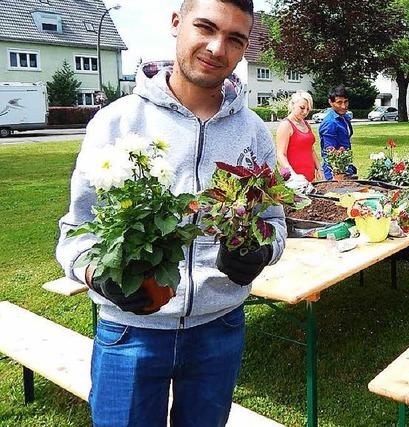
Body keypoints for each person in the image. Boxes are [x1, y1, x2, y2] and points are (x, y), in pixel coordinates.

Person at [56, 1, 286, 426]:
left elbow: (274, 221)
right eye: (206, 27)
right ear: (177, 23)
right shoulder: (117, 122)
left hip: (220, 329)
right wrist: (98, 275)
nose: (217, 48)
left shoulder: (253, 131)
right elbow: (75, 232)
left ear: (244, 47)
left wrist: (263, 250)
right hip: (131, 332)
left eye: (235, 38)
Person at [275, 90, 323, 182]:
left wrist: (319, 168)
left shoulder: (306, 124)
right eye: (302, 108)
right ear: (293, 104)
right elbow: (281, 154)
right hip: (295, 179)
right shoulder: (286, 125)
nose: (305, 112)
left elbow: (311, 149)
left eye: (308, 109)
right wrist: (292, 175)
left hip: (310, 176)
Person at [319, 84, 357, 179]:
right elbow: (329, 154)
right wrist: (339, 175)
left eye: (346, 102)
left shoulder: (344, 117)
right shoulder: (330, 123)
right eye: (339, 102)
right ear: (330, 102)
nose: (343, 106)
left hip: (346, 167)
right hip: (335, 172)